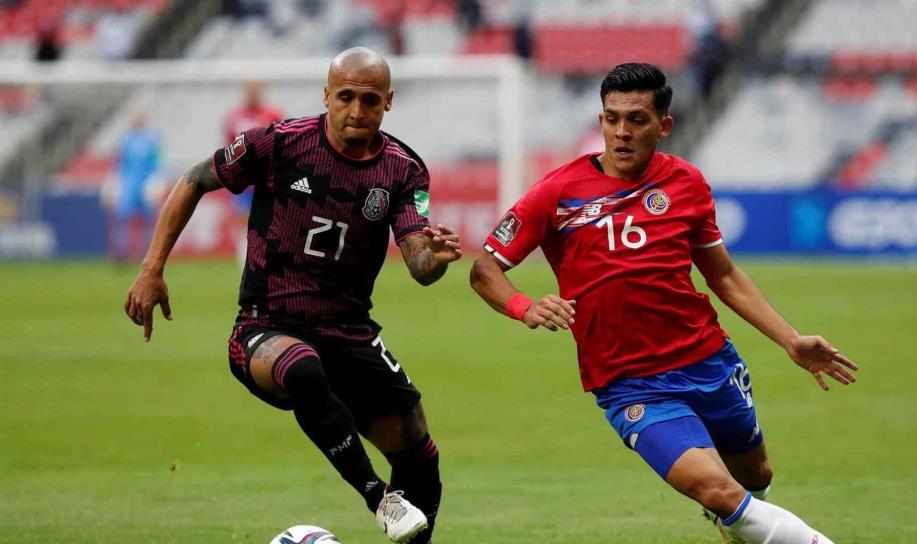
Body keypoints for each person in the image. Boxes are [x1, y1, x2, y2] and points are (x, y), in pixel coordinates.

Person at [470, 63, 858, 544]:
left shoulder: (687, 183)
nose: (622, 132)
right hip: (630, 384)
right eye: (612, 119)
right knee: (717, 491)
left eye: (636, 119)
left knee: (753, 478)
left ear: (663, 125)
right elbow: (484, 270)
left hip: (708, 361)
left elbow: (724, 275)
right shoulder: (557, 192)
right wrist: (524, 306)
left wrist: (790, 340)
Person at [124, 48, 461, 544]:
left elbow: (418, 264)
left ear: (388, 102)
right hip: (266, 325)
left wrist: (433, 257)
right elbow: (195, 179)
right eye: (345, 97)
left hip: (349, 332)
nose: (356, 110)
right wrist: (152, 268)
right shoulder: (278, 144)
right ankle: (377, 497)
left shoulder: (403, 169)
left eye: (370, 100)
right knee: (303, 367)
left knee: (418, 453)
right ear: (326, 95)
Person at [223, 81, 284, 264]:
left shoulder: (273, 114)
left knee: (270, 219)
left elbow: (282, 143)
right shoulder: (233, 117)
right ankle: (244, 259)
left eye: (255, 91)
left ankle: (269, 257)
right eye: (249, 91)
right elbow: (229, 147)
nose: (252, 95)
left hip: (267, 177)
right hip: (243, 178)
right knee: (242, 220)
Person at [111, 112, 161, 264]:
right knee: (123, 218)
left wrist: (156, 179)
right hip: (128, 183)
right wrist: (115, 180)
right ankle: (121, 253)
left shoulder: (152, 139)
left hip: (145, 183)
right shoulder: (126, 140)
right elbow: (119, 163)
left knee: (148, 220)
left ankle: (148, 254)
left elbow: (157, 162)